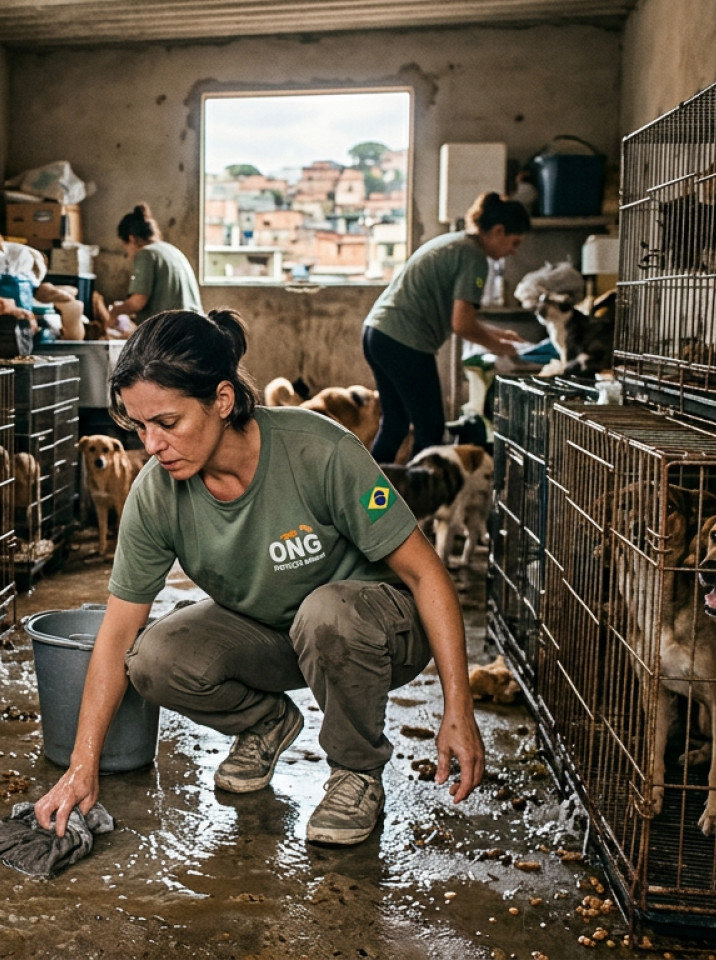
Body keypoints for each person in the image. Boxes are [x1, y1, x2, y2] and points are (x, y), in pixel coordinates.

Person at [33, 308, 484, 847]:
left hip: (375, 633)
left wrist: (459, 707)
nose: (151, 445)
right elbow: (116, 632)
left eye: (168, 423)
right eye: (139, 426)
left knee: (326, 613)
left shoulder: (319, 450)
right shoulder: (157, 492)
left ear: (222, 400)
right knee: (152, 657)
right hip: (276, 633)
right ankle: (265, 722)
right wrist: (83, 764)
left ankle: (356, 772)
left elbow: (428, 575)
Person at [361, 191, 531, 463]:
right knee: (430, 429)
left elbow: (460, 317)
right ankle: (417, 501)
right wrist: (499, 347)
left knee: (395, 425)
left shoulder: (455, 244)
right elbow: (461, 324)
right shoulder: (475, 258)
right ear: (498, 231)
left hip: (378, 333)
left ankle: (371, 502)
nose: (514, 251)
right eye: (515, 242)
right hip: (405, 342)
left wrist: (498, 334)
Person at [96, 203, 202, 335]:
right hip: (196, 328)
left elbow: (137, 302)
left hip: (174, 333)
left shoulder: (146, 254)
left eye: (126, 249)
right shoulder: (171, 251)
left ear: (132, 239)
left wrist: (116, 311)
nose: (129, 256)